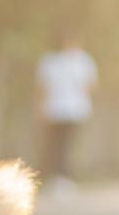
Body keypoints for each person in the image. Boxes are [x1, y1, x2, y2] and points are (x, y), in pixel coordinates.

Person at [33, 34, 98, 192]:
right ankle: (57, 178)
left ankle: (62, 178)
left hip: (72, 111)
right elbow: (42, 87)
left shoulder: (79, 60)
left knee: (66, 145)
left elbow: (90, 84)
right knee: (58, 145)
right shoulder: (53, 61)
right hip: (56, 110)